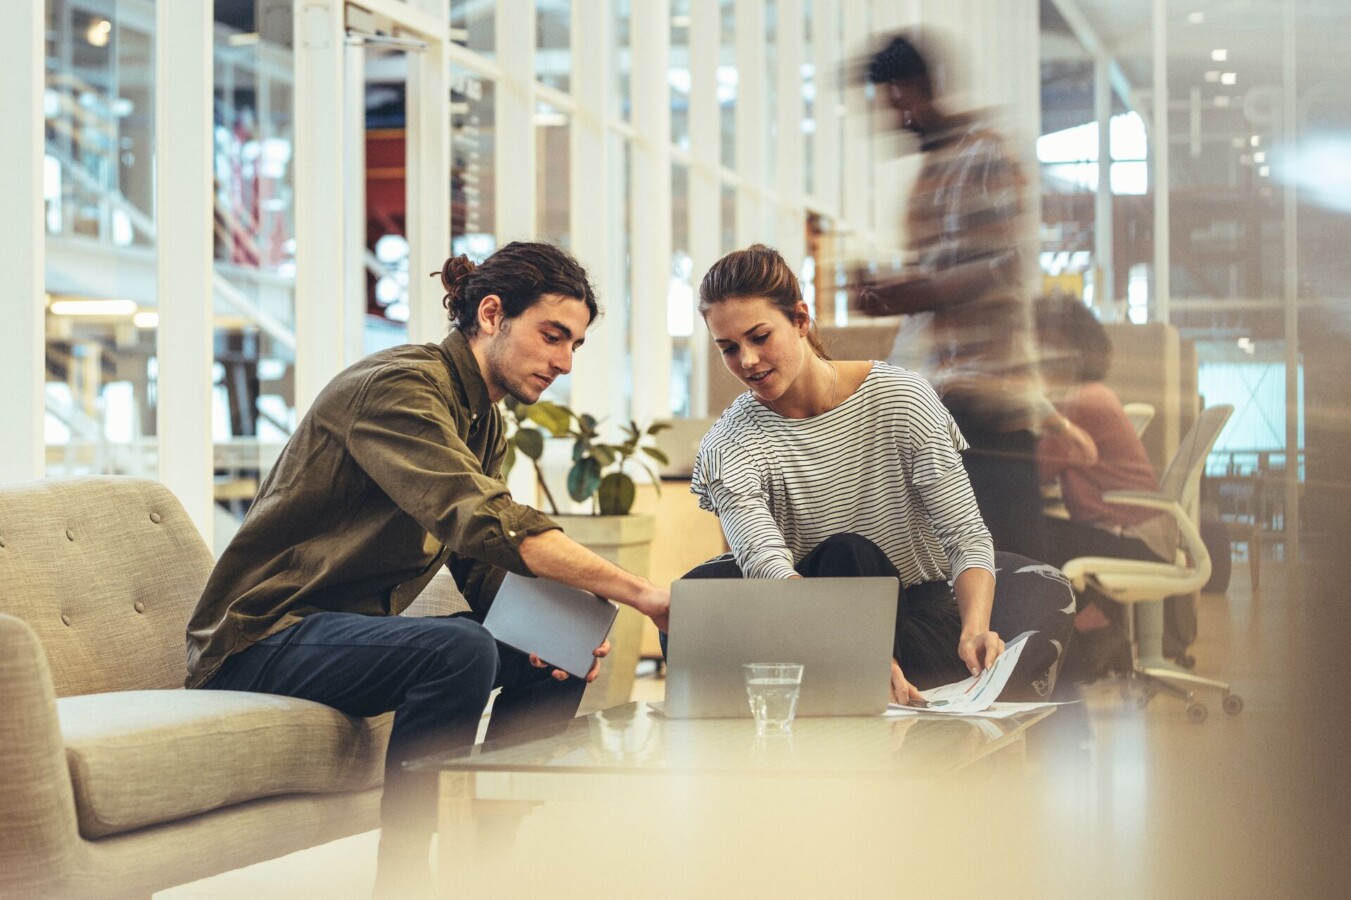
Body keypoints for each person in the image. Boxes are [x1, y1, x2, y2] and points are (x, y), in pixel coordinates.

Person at [184, 241, 669, 897]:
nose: (562, 361)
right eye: (552, 336)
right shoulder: (397, 390)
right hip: (263, 636)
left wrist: (557, 625)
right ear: (492, 314)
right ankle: (406, 884)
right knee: (455, 648)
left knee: (555, 647)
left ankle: (483, 873)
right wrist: (642, 594)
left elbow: (481, 563)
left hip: (341, 636)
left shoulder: (482, 423)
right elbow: (481, 519)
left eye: (574, 346)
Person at [688, 244, 1074, 704]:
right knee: (803, 567)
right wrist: (855, 650)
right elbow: (766, 565)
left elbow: (965, 534)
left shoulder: (901, 398)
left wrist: (976, 630)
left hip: (917, 624)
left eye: (759, 336)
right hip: (804, 632)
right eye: (728, 348)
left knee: (853, 554)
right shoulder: (728, 445)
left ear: (800, 320)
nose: (747, 360)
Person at [852, 32, 1084, 564]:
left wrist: (916, 290)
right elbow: (946, 273)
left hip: (990, 404)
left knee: (1015, 571)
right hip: (945, 404)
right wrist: (897, 292)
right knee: (958, 573)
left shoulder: (986, 151)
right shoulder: (929, 171)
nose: (888, 120)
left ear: (915, 89)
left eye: (892, 103)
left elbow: (1006, 265)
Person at [1035, 296, 1190, 678]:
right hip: (1146, 535)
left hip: (1136, 539)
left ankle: (1096, 625)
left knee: (1026, 535)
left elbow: (1036, 470)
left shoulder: (1080, 402)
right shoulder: (1094, 394)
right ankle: (1098, 622)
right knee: (1039, 532)